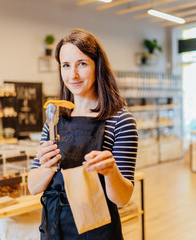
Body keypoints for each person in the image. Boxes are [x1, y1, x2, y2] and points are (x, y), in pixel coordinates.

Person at [28, 28, 138, 240]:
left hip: (97, 230)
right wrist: (47, 165)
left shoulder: (120, 120)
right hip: (54, 227)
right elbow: (33, 186)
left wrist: (111, 170)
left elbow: (122, 199)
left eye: (82, 64)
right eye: (66, 66)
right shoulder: (55, 118)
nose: (73, 75)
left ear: (98, 67)